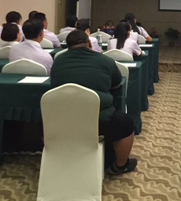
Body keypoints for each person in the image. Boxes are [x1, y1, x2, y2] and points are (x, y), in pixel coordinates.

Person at [50, 30, 137, 174]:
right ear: (89, 43)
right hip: (99, 121)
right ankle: (120, 165)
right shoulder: (106, 61)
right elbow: (116, 84)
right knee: (126, 123)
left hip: (61, 121)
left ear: (68, 46)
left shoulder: (58, 61)